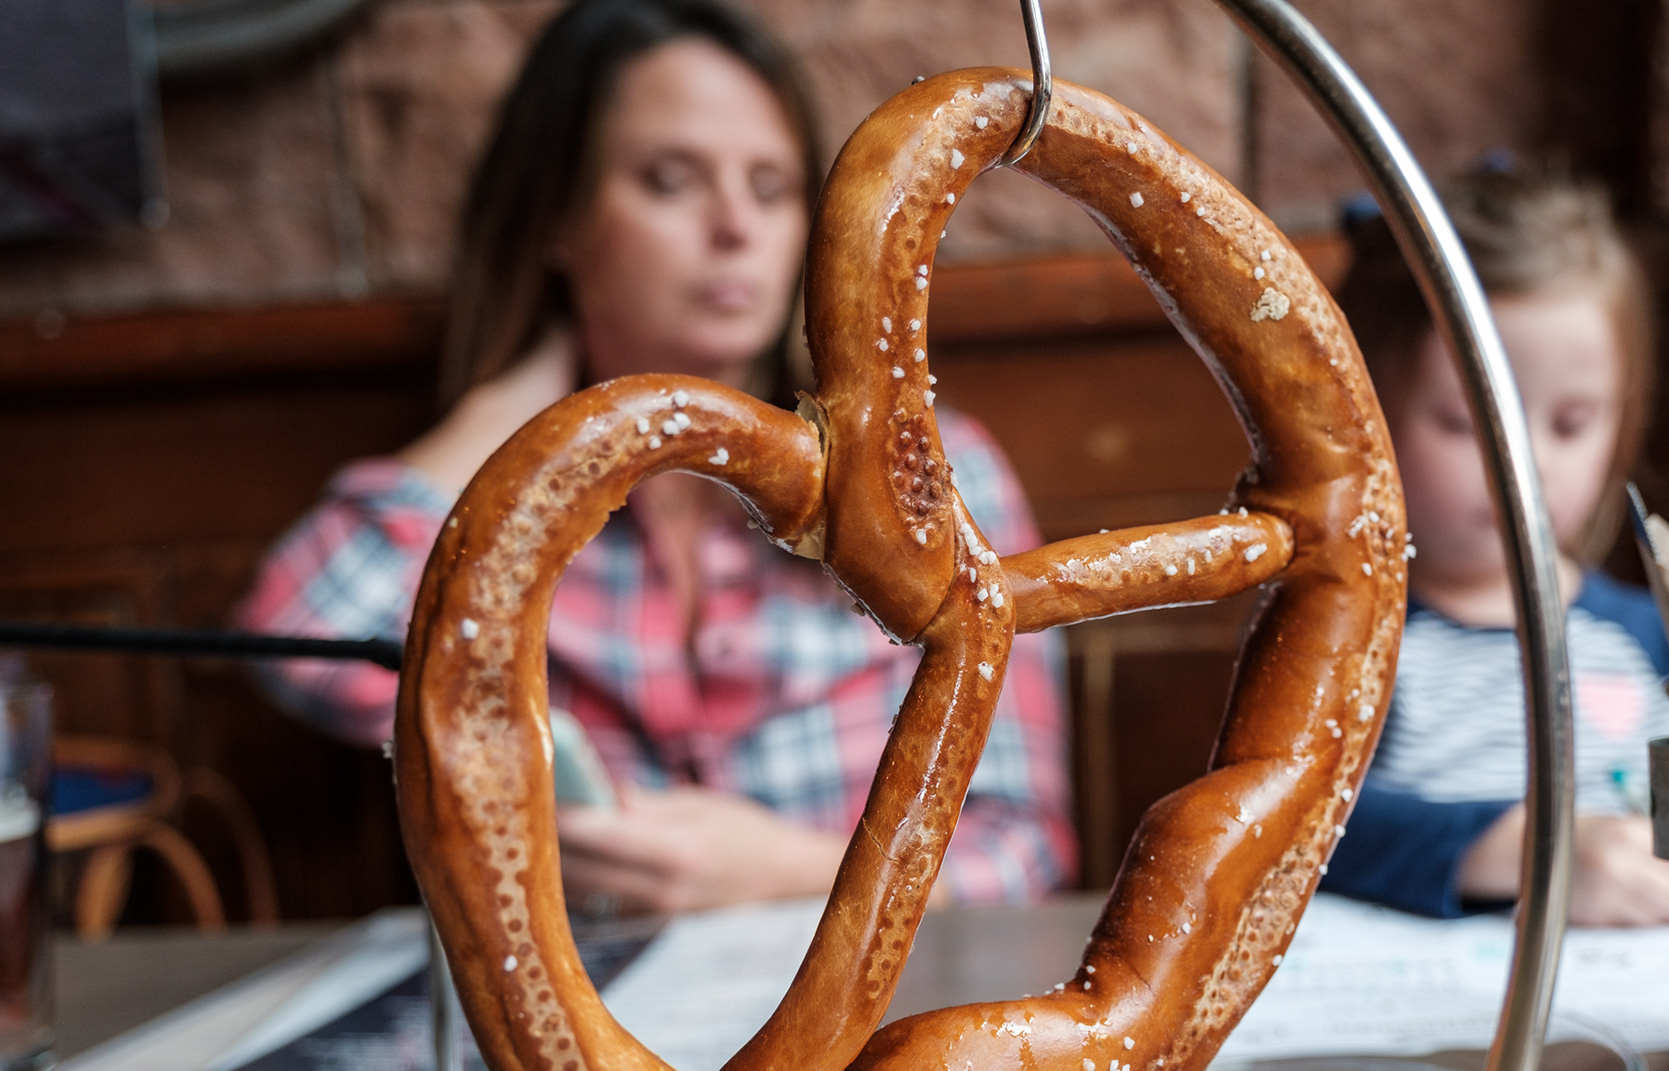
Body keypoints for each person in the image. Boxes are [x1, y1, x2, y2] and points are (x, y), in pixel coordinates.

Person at [238, 0, 1075, 914]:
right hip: (596, 996)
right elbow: (297, 630)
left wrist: (790, 874)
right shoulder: (518, 517)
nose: (735, 227)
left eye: (770, 187)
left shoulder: (934, 480)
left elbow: (1024, 853)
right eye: (671, 180)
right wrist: (503, 419)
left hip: (880, 994)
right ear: (559, 217)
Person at [1324, 168, 1669, 927]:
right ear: (1364, 411)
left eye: (1572, 423)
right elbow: (1298, 829)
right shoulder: (1347, 645)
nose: (1528, 464)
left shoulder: (1655, 639)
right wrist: (1531, 852)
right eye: (1467, 421)